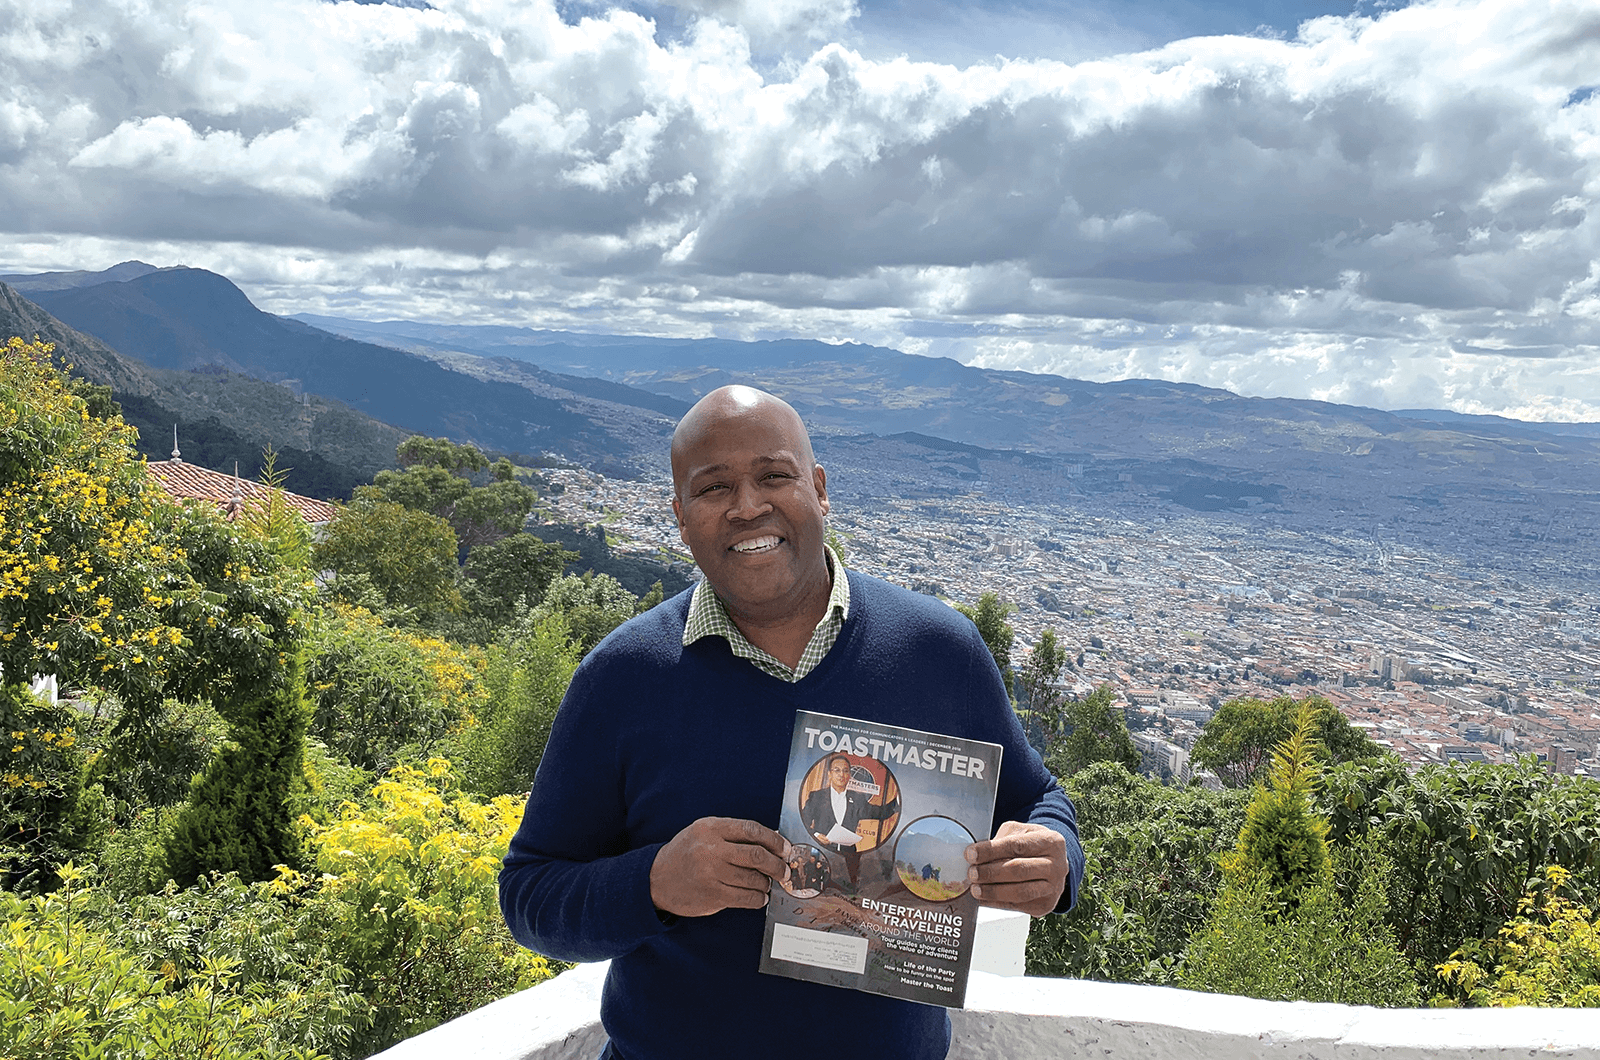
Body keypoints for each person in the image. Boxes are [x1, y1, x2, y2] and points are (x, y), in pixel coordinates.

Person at [500, 385, 1085, 1060]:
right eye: (713, 487)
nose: (748, 506)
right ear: (681, 517)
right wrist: (656, 881)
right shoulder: (623, 678)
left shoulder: (937, 650)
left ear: (820, 489)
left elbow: (1038, 799)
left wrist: (1055, 858)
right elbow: (530, 895)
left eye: (774, 476)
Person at [799, 753, 898, 887]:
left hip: (849, 858)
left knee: (849, 892)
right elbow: (803, 821)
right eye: (837, 770)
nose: (841, 774)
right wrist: (816, 835)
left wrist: (898, 801)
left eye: (845, 771)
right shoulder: (817, 796)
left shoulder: (857, 799)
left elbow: (880, 813)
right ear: (829, 774)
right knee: (822, 890)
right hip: (823, 853)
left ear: (850, 775)